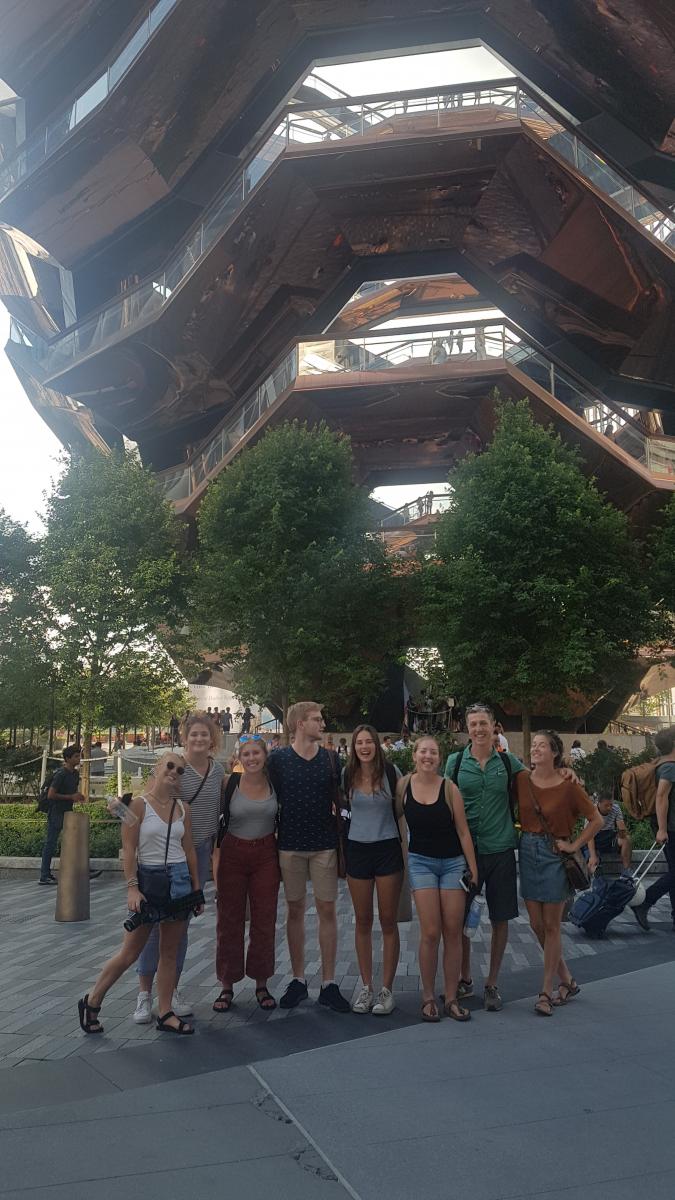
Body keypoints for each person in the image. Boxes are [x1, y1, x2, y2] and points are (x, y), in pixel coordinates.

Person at [78, 753, 203, 1036]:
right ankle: (92, 1000)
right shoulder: (137, 805)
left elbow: (190, 850)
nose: (174, 772)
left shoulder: (183, 807)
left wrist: (197, 889)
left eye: (180, 770)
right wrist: (132, 887)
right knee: (130, 952)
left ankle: (166, 1012)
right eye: (169, 766)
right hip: (149, 882)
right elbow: (129, 849)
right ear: (157, 768)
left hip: (179, 881)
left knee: (169, 952)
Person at [133, 712, 225, 1023]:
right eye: (194, 734)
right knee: (152, 928)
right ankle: (144, 994)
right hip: (163, 857)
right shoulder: (174, 766)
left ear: (213, 739)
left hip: (195, 854)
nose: (199, 739)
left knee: (179, 928)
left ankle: (170, 992)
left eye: (205, 734)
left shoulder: (217, 771)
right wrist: (118, 808)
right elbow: (144, 803)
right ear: (184, 737)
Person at [267, 700, 350, 1012]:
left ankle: (329, 982)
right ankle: (298, 979)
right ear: (299, 724)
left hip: (324, 846)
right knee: (295, 911)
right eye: (316, 719)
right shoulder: (278, 760)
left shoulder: (330, 759)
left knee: (327, 911)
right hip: (289, 845)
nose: (322, 724)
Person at [444, 703, 528, 1011]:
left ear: (494, 726)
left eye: (484, 723)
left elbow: (536, 785)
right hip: (465, 854)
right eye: (473, 724)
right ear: (467, 728)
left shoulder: (508, 763)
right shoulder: (454, 763)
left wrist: (566, 772)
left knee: (500, 917)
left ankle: (492, 982)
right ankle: (464, 978)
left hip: (501, 849)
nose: (479, 729)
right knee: (460, 920)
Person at [515, 731, 601, 1015]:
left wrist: (575, 845)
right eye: (534, 745)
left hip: (555, 854)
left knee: (552, 927)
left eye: (542, 745)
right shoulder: (521, 779)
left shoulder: (568, 785)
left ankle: (546, 990)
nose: (536, 749)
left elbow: (596, 819)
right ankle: (567, 979)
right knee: (536, 925)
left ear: (554, 753)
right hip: (527, 851)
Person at [397, 736, 478, 1022]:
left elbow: (463, 831)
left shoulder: (449, 788)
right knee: (430, 932)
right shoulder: (403, 786)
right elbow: (395, 822)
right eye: (423, 751)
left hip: (453, 863)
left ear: (439, 758)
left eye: (433, 752)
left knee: (453, 931)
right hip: (421, 864)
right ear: (415, 755)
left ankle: (452, 997)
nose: (427, 756)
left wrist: (473, 868)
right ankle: (428, 997)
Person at [213, 737, 280, 1013]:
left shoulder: (276, 784)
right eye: (246, 754)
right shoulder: (229, 784)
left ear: (265, 755)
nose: (252, 758)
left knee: (265, 919)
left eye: (256, 753)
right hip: (233, 852)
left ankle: (261, 983)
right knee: (229, 920)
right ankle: (227, 984)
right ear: (239, 757)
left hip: (266, 853)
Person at [343, 726, 403, 1015]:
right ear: (354, 747)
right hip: (357, 849)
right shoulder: (347, 775)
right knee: (363, 920)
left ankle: (386, 990)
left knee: (389, 921)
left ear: (377, 745)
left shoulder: (392, 773)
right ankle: (366, 987)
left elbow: (406, 805)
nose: (364, 747)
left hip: (387, 848)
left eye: (369, 742)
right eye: (359, 743)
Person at [631, 726, 675, 932]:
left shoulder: (665, 764)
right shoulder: (669, 767)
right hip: (671, 828)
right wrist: (662, 829)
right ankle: (645, 901)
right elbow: (661, 797)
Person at [39, 746, 101, 885]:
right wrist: (71, 796)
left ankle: (83, 869)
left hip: (68, 811)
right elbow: (51, 795)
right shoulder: (61, 774)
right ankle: (45, 875)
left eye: (79, 756)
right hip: (56, 811)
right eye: (76, 757)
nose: (79, 759)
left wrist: (76, 797)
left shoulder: (74, 774)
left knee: (76, 840)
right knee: (51, 842)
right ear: (67, 759)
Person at [587, 793, 632, 870]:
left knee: (626, 840)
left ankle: (627, 871)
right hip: (595, 839)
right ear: (599, 803)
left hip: (610, 837)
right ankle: (595, 877)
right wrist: (593, 855)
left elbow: (622, 828)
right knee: (592, 861)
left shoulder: (616, 808)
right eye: (606, 805)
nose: (609, 808)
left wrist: (622, 831)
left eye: (611, 804)